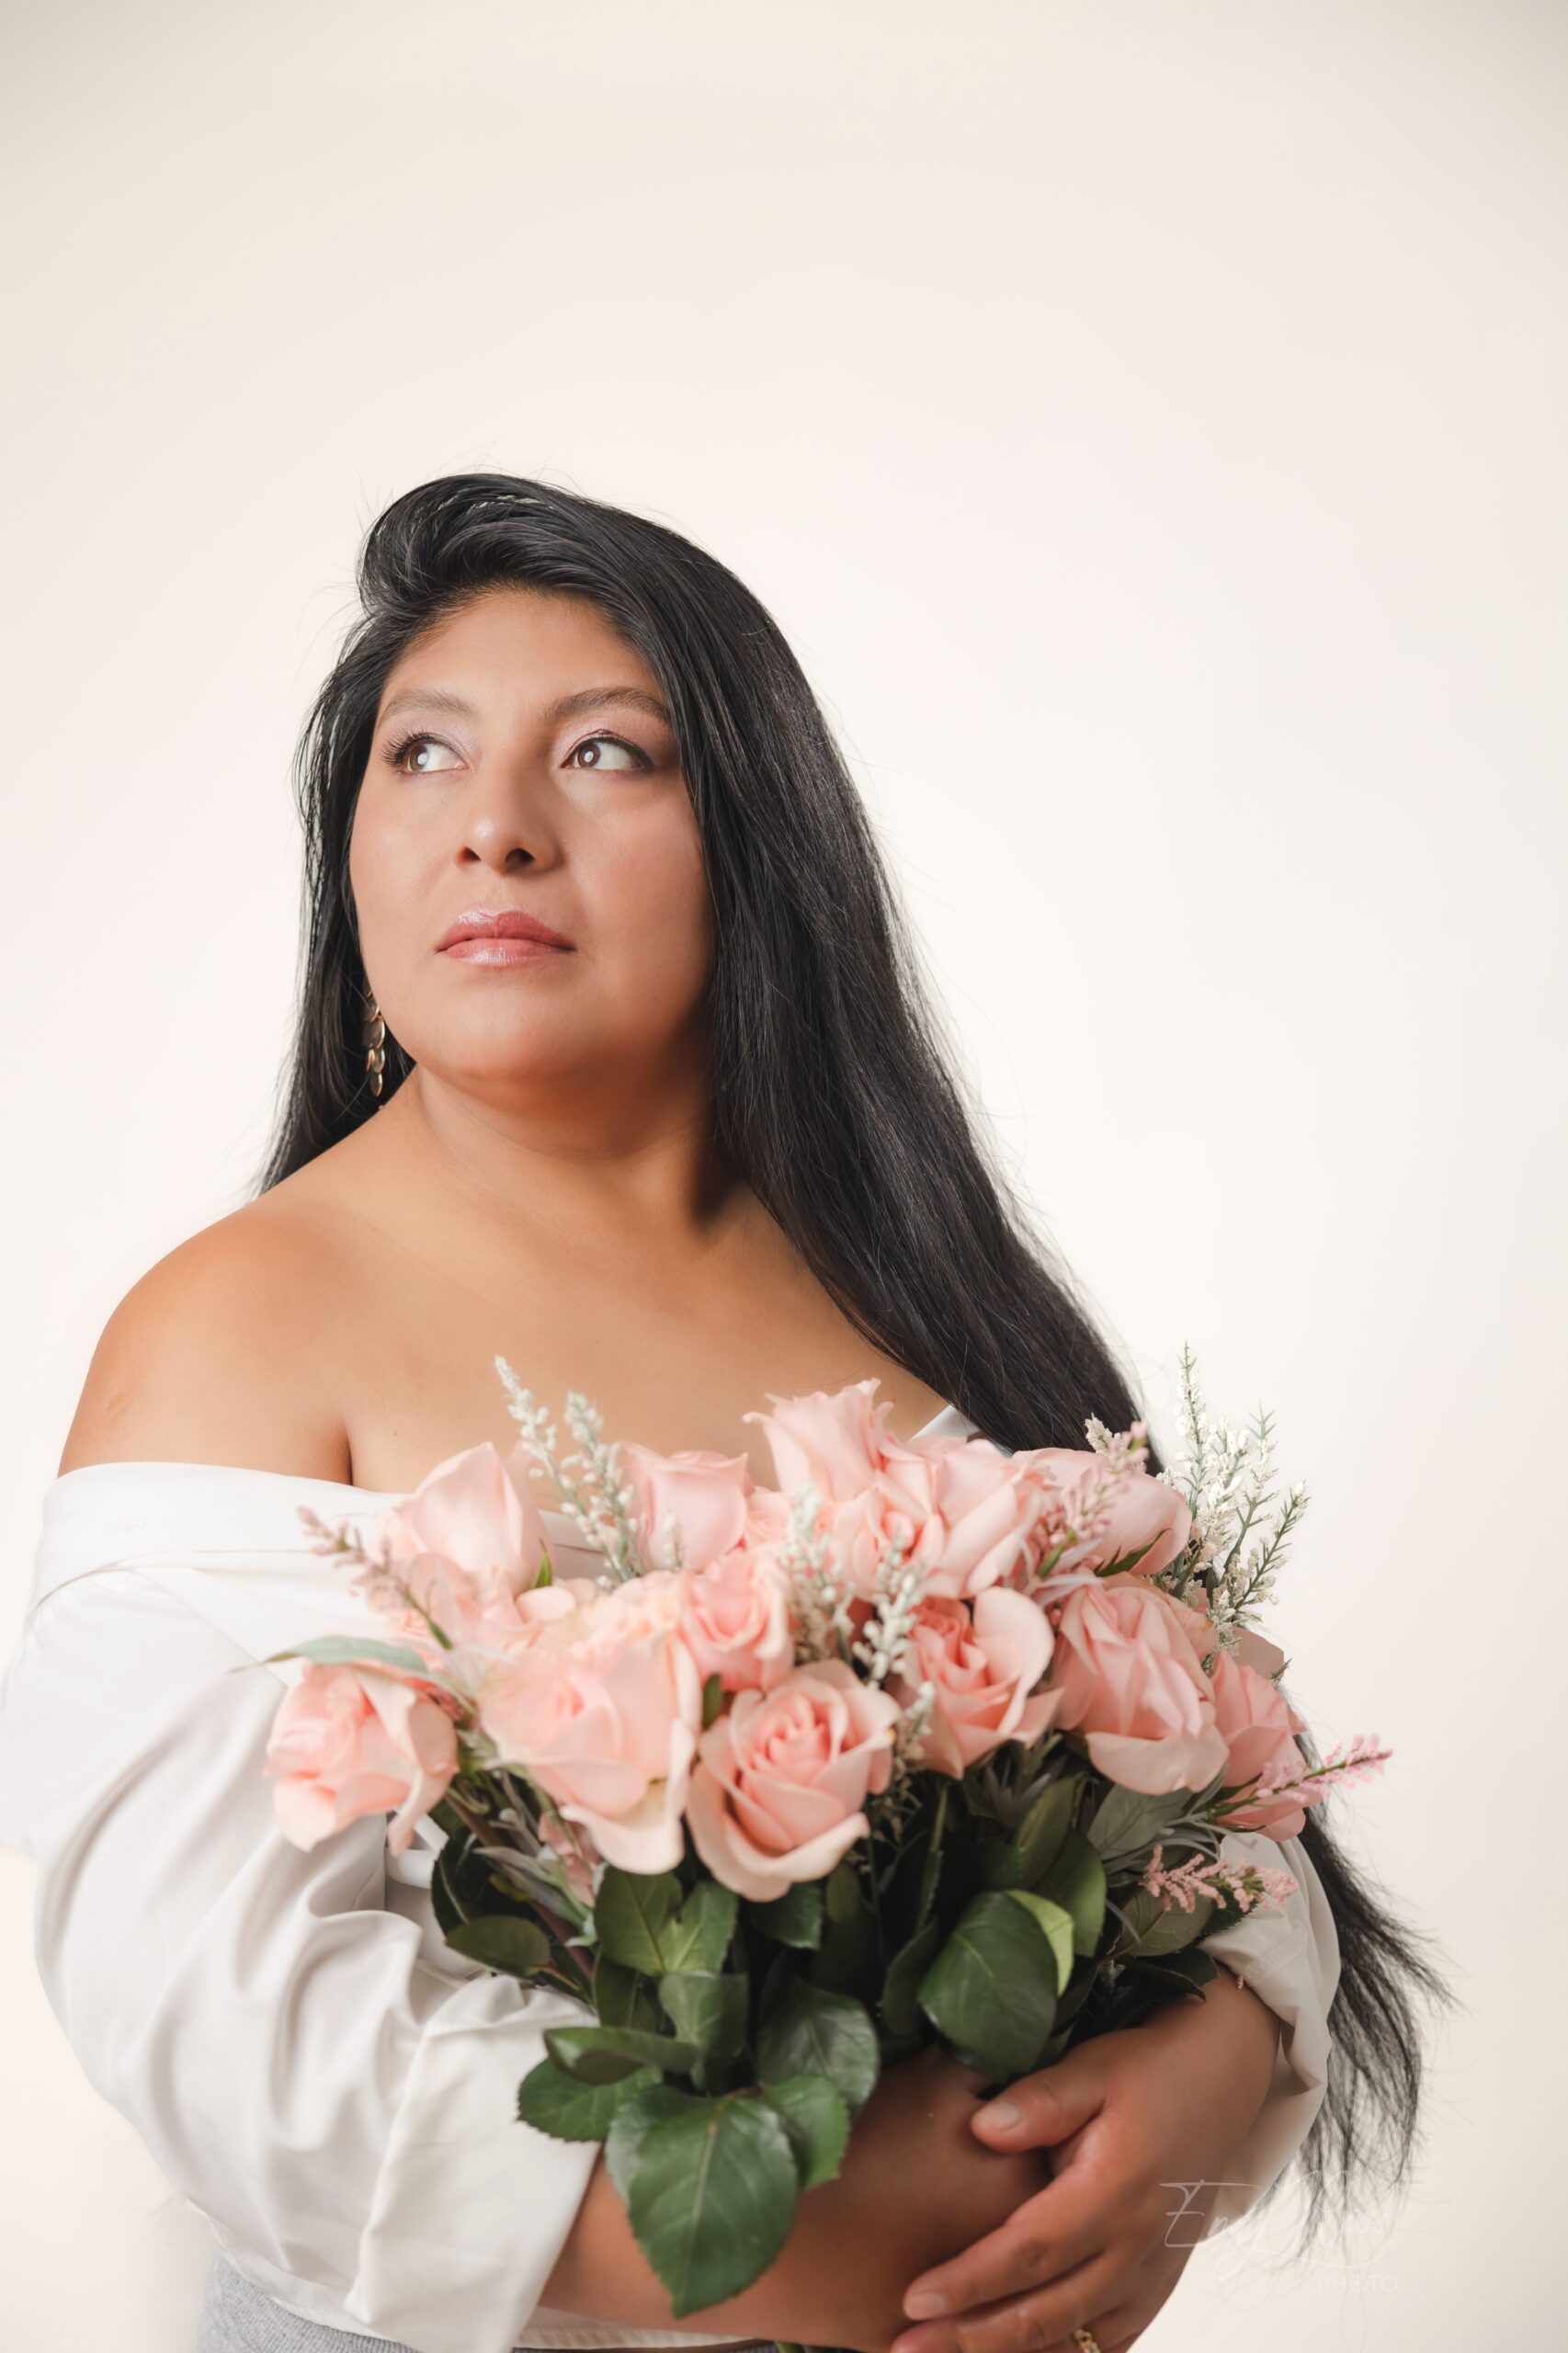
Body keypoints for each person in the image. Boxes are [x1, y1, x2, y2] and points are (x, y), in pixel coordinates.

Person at [0, 475, 1445, 2353]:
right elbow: (215, 2016)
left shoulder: (919, 1298)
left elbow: (1211, 1814)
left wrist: (1213, 2070)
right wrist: (792, 2244)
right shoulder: (240, 1322)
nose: (495, 827)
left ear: (760, 842)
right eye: (421, 754)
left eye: (604, 752)